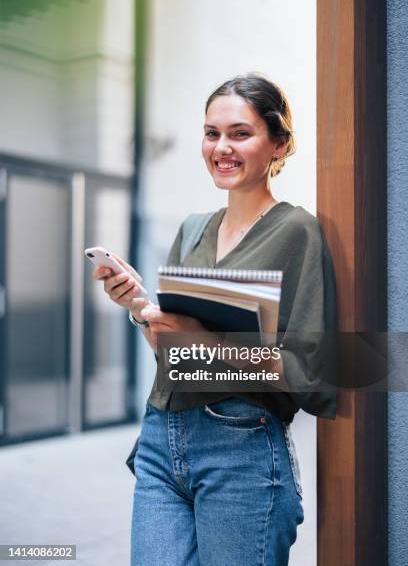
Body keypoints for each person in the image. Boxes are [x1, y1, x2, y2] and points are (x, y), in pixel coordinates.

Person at [93, 74, 337, 566]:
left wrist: (209, 342)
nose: (221, 147)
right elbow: (176, 361)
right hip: (161, 441)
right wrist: (142, 311)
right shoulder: (193, 228)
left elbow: (312, 375)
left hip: (240, 447)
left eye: (240, 134)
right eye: (211, 133)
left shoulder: (297, 232)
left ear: (278, 144)